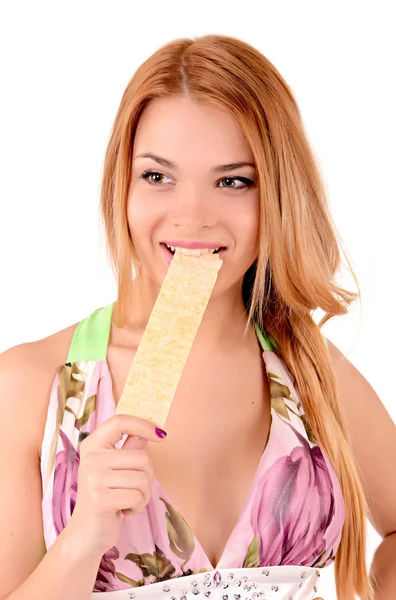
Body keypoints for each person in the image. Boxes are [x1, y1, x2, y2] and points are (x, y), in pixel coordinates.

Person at [0, 33, 394, 600]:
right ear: (123, 186)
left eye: (233, 180)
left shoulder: (312, 373)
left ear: (277, 197)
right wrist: (83, 537)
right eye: (157, 176)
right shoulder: (29, 386)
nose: (192, 216)